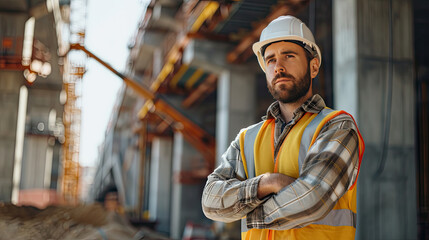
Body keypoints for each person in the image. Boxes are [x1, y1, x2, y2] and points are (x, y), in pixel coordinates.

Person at [201, 15, 365, 240]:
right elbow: (210, 201)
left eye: (289, 56)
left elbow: (312, 200)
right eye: (270, 60)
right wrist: (268, 183)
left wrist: (243, 211)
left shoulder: (336, 127)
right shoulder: (247, 138)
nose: (278, 67)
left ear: (314, 66)